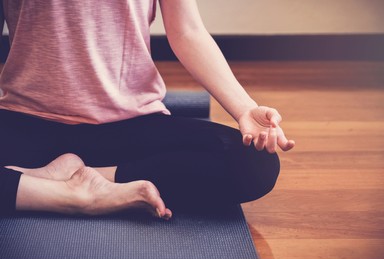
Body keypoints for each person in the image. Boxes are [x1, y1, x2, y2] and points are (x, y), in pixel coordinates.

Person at [0, 0, 295, 220]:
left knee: (255, 165)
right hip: (27, 123)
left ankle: (82, 178)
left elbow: (188, 32)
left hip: (129, 126)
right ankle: (71, 194)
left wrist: (244, 109)